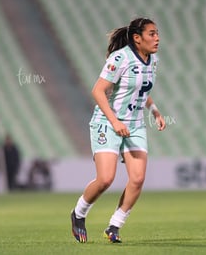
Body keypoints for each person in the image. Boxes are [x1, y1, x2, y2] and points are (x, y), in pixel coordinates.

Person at [70, 17, 166, 244]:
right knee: (105, 179)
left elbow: (141, 89)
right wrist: (114, 122)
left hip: (134, 125)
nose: (157, 38)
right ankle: (79, 213)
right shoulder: (120, 58)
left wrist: (155, 111)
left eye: (157, 33)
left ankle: (114, 226)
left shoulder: (152, 60)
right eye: (152, 34)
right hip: (107, 121)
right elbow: (98, 91)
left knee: (138, 178)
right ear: (137, 38)